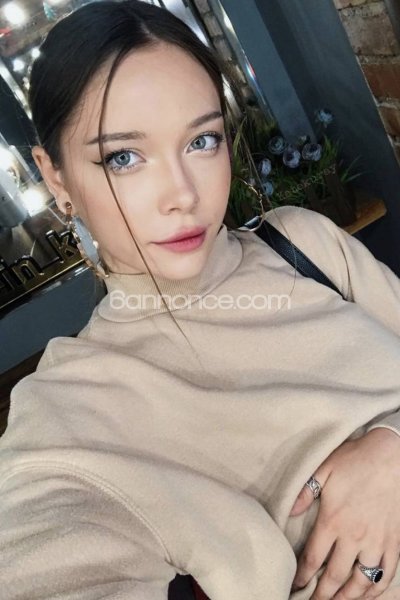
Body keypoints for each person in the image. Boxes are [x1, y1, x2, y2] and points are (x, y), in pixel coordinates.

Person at [0, 1, 399, 599]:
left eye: (202, 140)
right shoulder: (69, 409)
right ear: (56, 177)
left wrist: (391, 448)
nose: (182, 194)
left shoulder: (302, 242)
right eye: (123, 157)